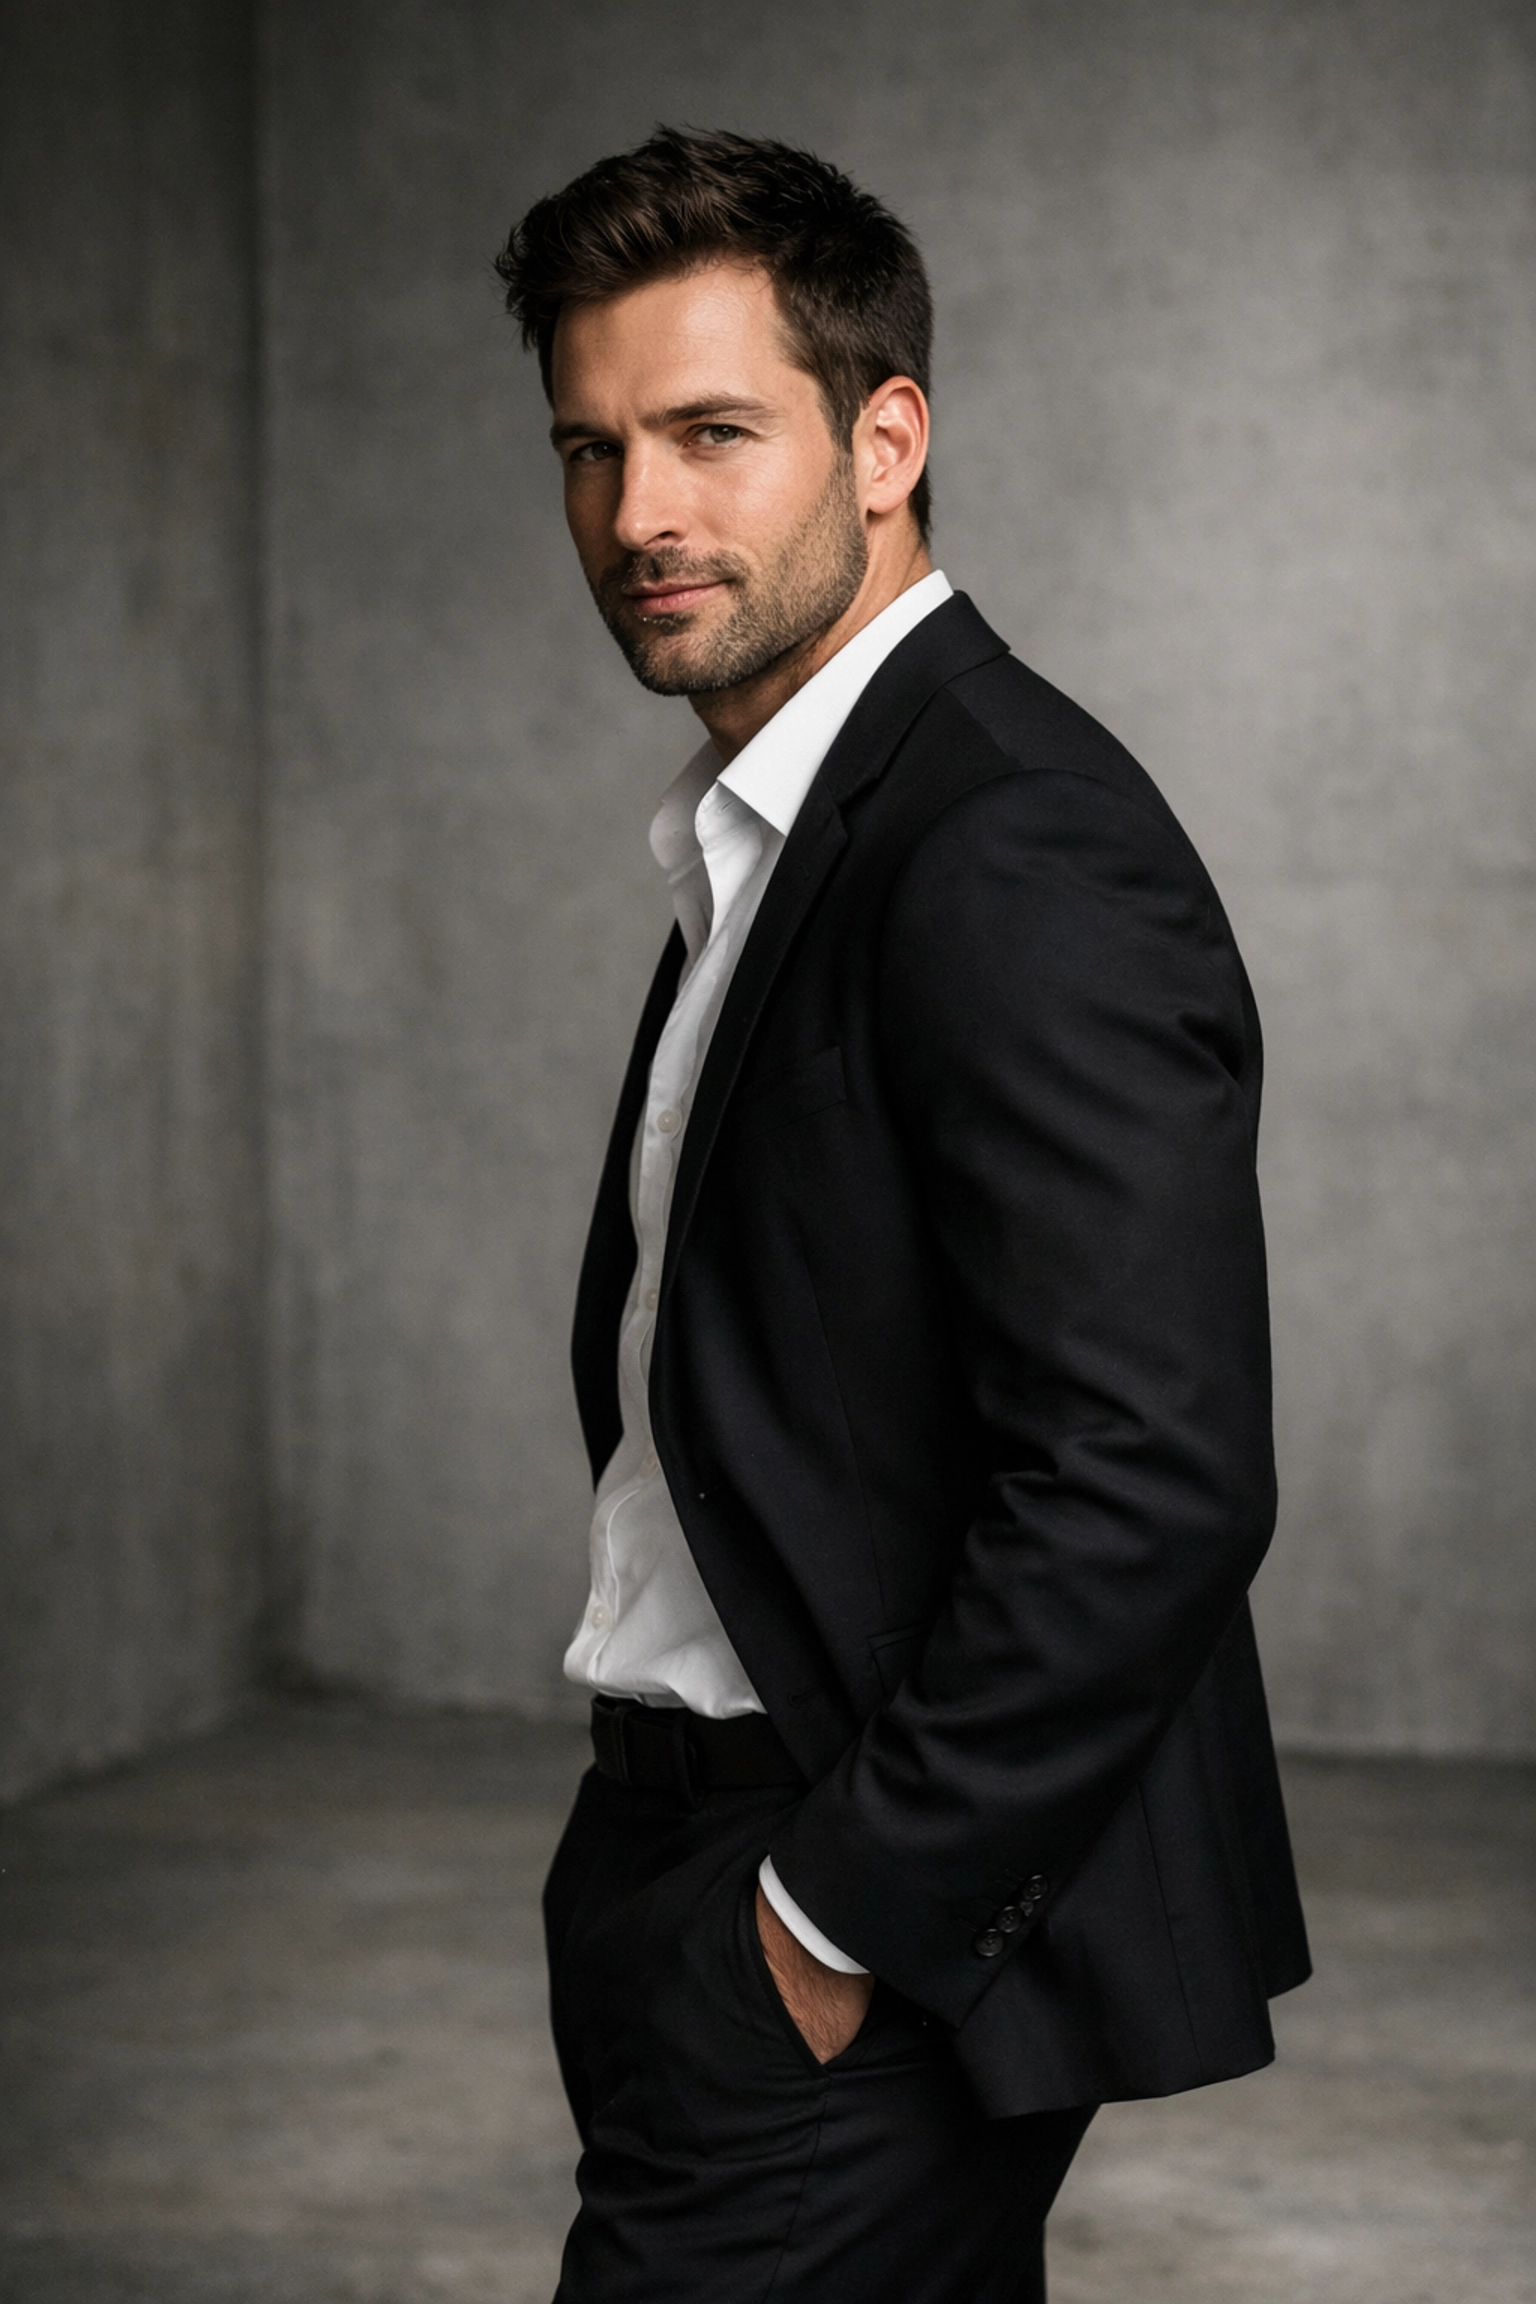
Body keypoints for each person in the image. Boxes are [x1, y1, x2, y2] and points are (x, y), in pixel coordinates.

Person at [496, 127, 1310, 2304]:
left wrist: (826, 1923)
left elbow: (1149, 1475)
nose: (638, 513)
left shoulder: (1009, 843)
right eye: (590, 447)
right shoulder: (784, 824)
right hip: (686, 1841)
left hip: (837, 1898)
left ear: (886, 438)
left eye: (709, 434)